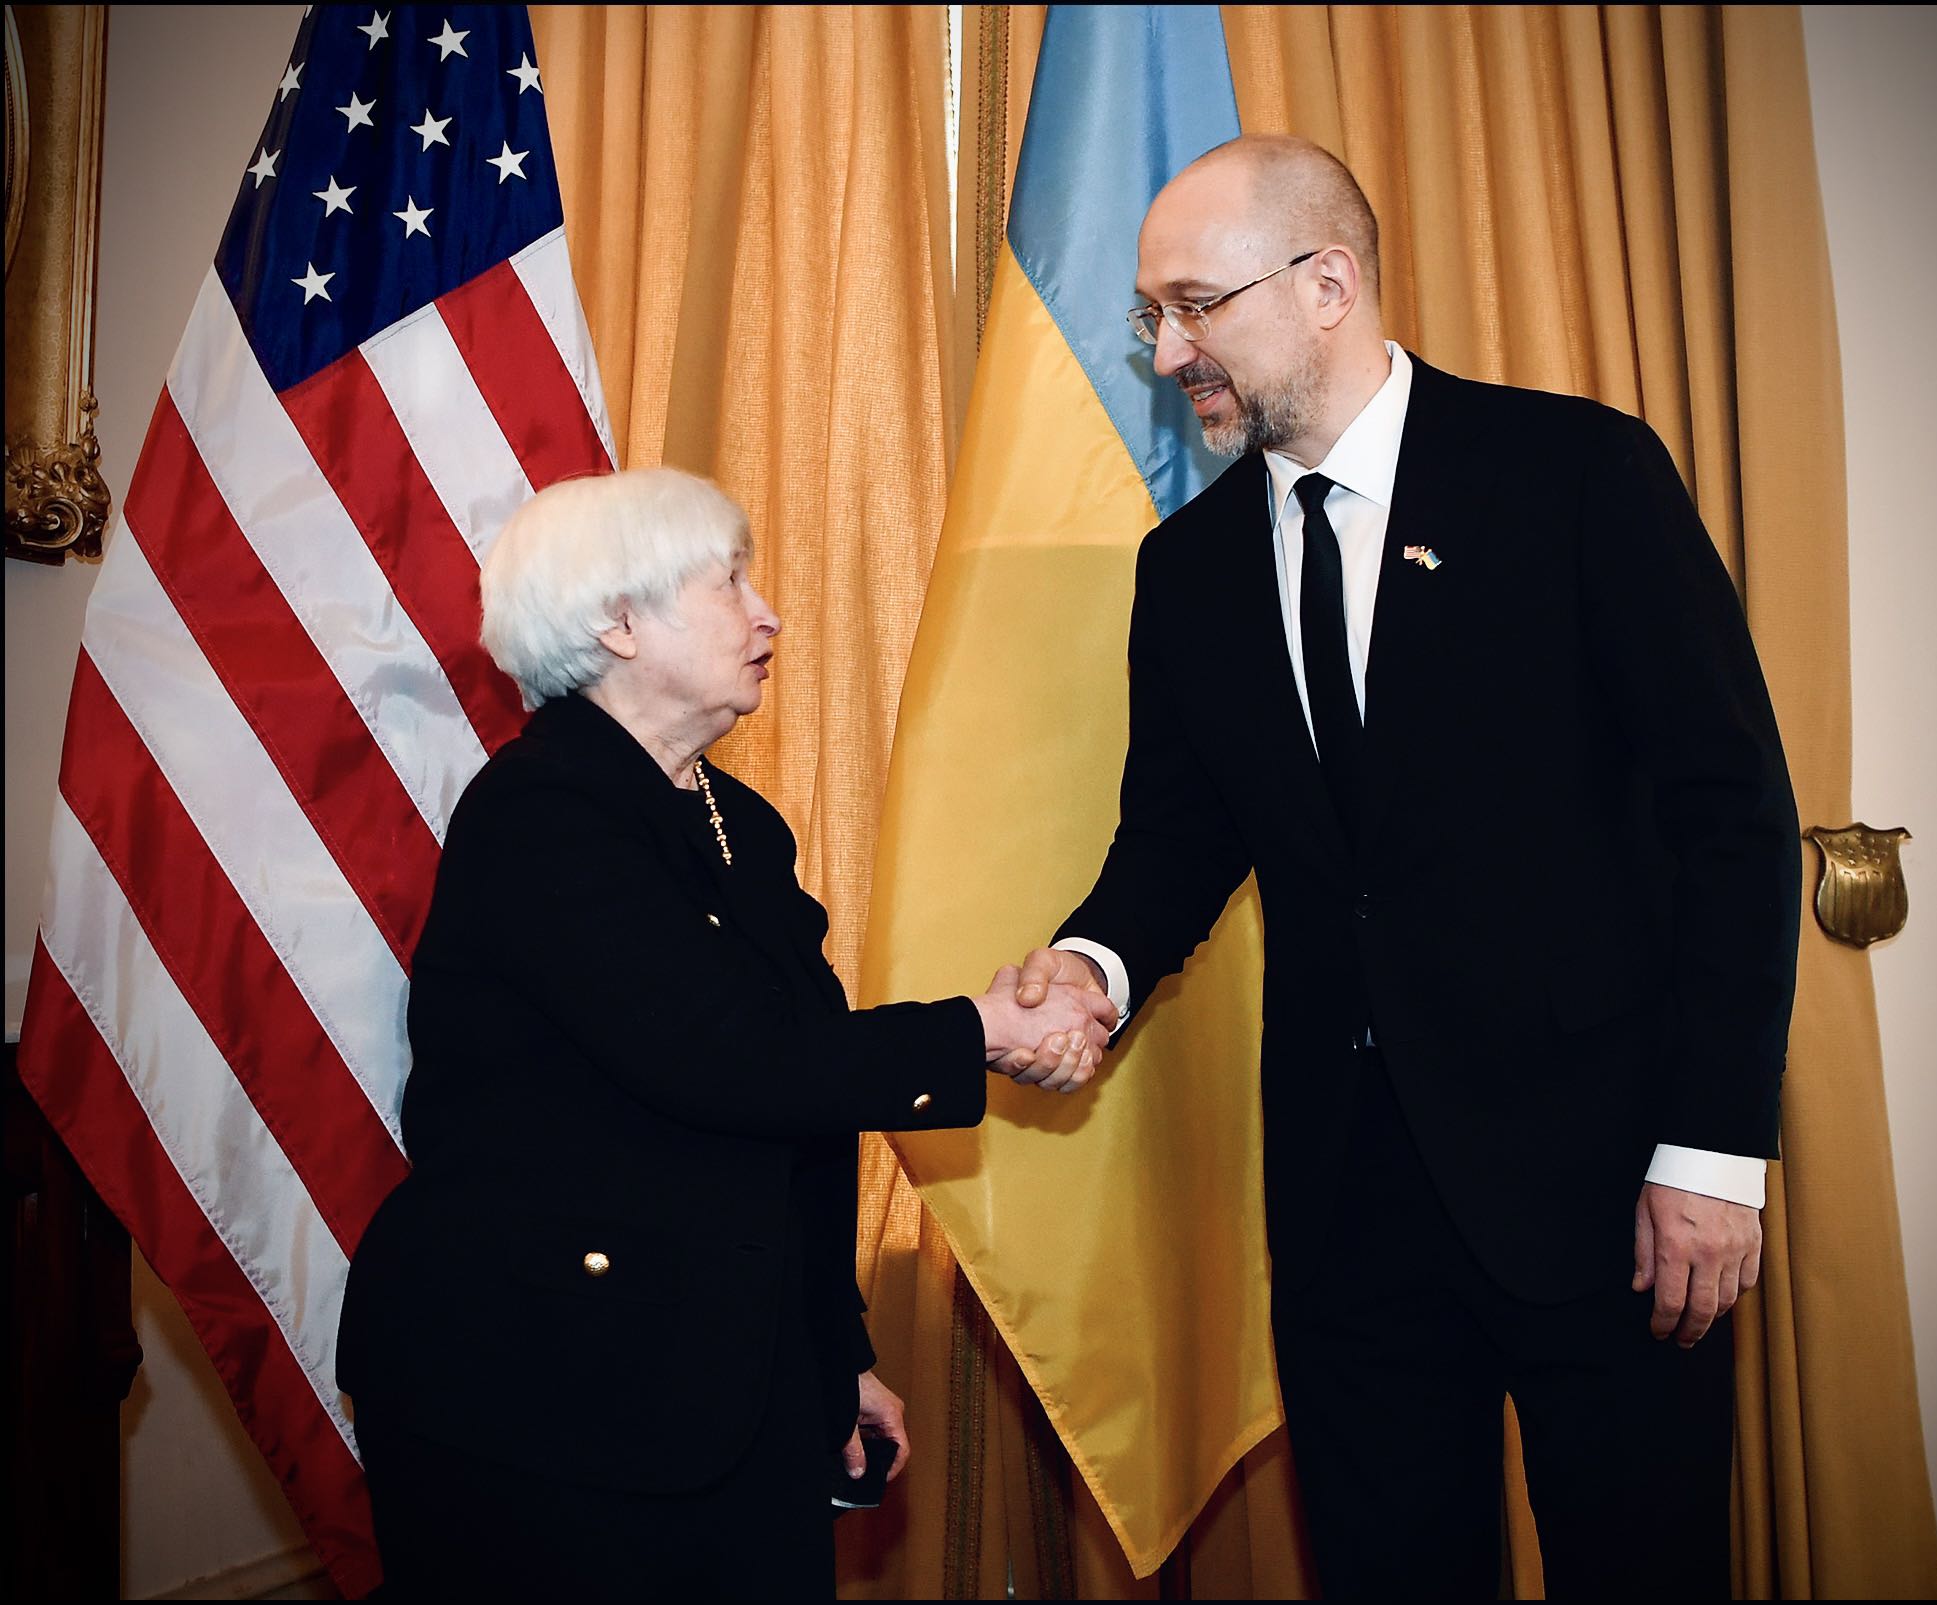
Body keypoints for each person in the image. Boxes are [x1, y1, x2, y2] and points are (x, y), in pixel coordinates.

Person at [1000, 135, 1800, 1597]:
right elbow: (1177, 841)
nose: (1168, 350)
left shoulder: (1574, 474)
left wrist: (1710, 1154)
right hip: (1348, 1213)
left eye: (1193, 305)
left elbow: (1732, 820)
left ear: (1328, 284)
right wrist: (1093, 968)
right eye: (1151, 317)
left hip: (1613, 1197)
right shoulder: (1187, 572)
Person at [337, 468, 1113, 1598]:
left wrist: (832, 1355)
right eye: (730, 582)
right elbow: (728, 1061)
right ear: (617, 624)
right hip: (540, 1393)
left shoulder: (735, 817)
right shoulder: (542, 812)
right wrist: (978, 1031)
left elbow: (791, 1127)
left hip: (713, 1378)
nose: (769, 613)